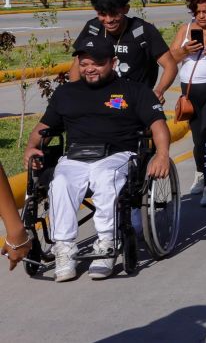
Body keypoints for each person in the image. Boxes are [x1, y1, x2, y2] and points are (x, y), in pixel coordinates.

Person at [24, 37, 170, 281]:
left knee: (105, 177)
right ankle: (64, 248)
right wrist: (31, 147)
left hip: (117, 154)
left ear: (113, 62)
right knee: (60, 183)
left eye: (97, 63)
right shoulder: (66, 93)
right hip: (76, 155)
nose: (89, 68)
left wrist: (162, 154)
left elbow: (158, 124)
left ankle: (106, 244)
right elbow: (45, 127)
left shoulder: (133, 90)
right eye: (84, 63)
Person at [164, 0, 206, 207]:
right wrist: (185, 51)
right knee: (198, 139)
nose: (202, 16)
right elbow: (169, 58)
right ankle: (201, 173)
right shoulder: (186, 29)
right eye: (198, 12)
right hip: (190, 92)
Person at [68, 0, 176, 105]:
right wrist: (76, 95)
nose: (108, 20)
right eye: (102, 14)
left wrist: (159, 91)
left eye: (114, 13)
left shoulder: (143, 31)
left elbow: (170, 66)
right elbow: (77, 66)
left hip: (134, 103)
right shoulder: (93, 28)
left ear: (126, 9)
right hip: (99, 101)